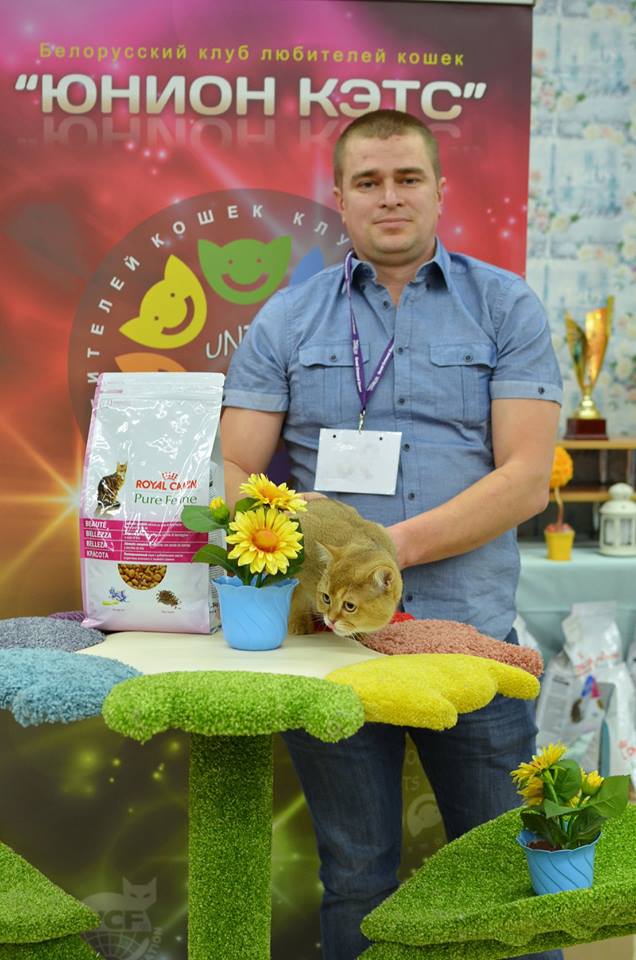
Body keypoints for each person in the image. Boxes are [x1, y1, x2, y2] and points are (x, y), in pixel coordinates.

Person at [221, 109, 564, 960]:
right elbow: (232, 471)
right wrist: (300, 551)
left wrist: (389, 554)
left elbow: (527, 477)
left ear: (440, 189)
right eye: (367, 182)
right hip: (333, 656)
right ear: (339, 198)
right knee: (356, 875)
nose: (390, 196)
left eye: (408, 178)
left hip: (472, 645)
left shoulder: (506, 306)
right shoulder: (287, 320)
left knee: (507, 875)